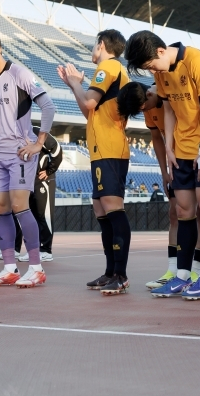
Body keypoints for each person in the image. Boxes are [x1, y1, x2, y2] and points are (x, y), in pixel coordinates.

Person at [125, 31, 200, 301]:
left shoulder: (196, 60)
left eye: (150, 66)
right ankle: (181, 277)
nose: (151, 72)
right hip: (181, 149)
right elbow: (169, 110)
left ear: (160, 52)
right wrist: (169, 146)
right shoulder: (160, 73)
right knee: (183, 210)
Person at [0, 31, 56, 288]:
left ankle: (37, 267)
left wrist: (38, 143)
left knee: (20, 206)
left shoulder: (19, 73)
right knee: (0, 209)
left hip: (20, 151)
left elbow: (48, 106)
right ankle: (9, 268)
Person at [57, 29, 132, 295]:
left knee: (112, 208)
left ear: (101, 45)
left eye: (94, 44)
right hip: (101, 148)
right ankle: (111, 271)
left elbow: (89, 102)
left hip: (111, 148)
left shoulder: (108, 66)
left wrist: (77, 81)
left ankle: (120, 275)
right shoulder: (112, 70)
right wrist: (74, 86)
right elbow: (90, 110)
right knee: (102, 210)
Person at [119, 80, 200, 290]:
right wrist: (164, 172)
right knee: (175, 214)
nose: (144, 111)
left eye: (144, 107)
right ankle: (173, 271)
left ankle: (197, 271)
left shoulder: (171, 97)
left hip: (195, 156)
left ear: (149, 94)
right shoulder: (146, 107)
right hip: (175, 164)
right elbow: (156, 138)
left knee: (198, 214)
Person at [12, 127, 61, 262]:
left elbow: (56, 148)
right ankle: (33, 249)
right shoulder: (14, 133)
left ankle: (46, 250)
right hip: (27, 180)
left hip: (43, 180)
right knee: (31, 216)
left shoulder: (36, 131)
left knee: (43, 215)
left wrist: (49, 170)